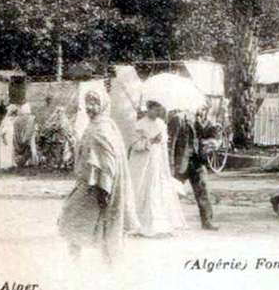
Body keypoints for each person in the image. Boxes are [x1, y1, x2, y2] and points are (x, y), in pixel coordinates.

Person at [58, 91, 139, 264]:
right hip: (88, 183)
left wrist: (105, 189)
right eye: (87, 103)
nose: (90, 107)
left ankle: (88, 263)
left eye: (94, 103)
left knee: (76, 218)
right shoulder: (96, 125)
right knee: (76, 219)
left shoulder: (102, 128)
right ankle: (78, 262)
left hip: (97, 186)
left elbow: (108, 162)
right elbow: (88, 154)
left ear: (102, 105)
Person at [128, 100, 187, 237]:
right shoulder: (140, 125)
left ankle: (161, 225)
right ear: (148, 109)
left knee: (159, 189)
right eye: (154, 109)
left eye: (159, 109)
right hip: (144, 163)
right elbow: (135, 145)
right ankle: (143, 224)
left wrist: (161, 140)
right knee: (145, 189)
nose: (157, 112)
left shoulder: (161, 124)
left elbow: (164, 144)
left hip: (158, 161)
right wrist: (150, 141)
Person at [171, 106, 219, 231]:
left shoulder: (205, 120)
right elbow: (171, 144)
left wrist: (213, 141)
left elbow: (211, 134)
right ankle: (168, 221)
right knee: (173, 191)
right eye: (201, 107)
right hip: (181, 161)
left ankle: (207, 221)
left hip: (197, 160)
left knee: (203, 189)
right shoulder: (178, 118)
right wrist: (171, 164)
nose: (202, 110)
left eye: (204, 108)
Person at [0, 104, 18, 170]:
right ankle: (4, 165)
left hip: (10, 138)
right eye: (13, 114)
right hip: (6, 138)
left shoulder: (13, 120)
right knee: (5, 151)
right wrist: (4, 139)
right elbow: (3, 132)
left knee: (10, 151)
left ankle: (10, 164)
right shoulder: (6, 121)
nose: (14, 115)